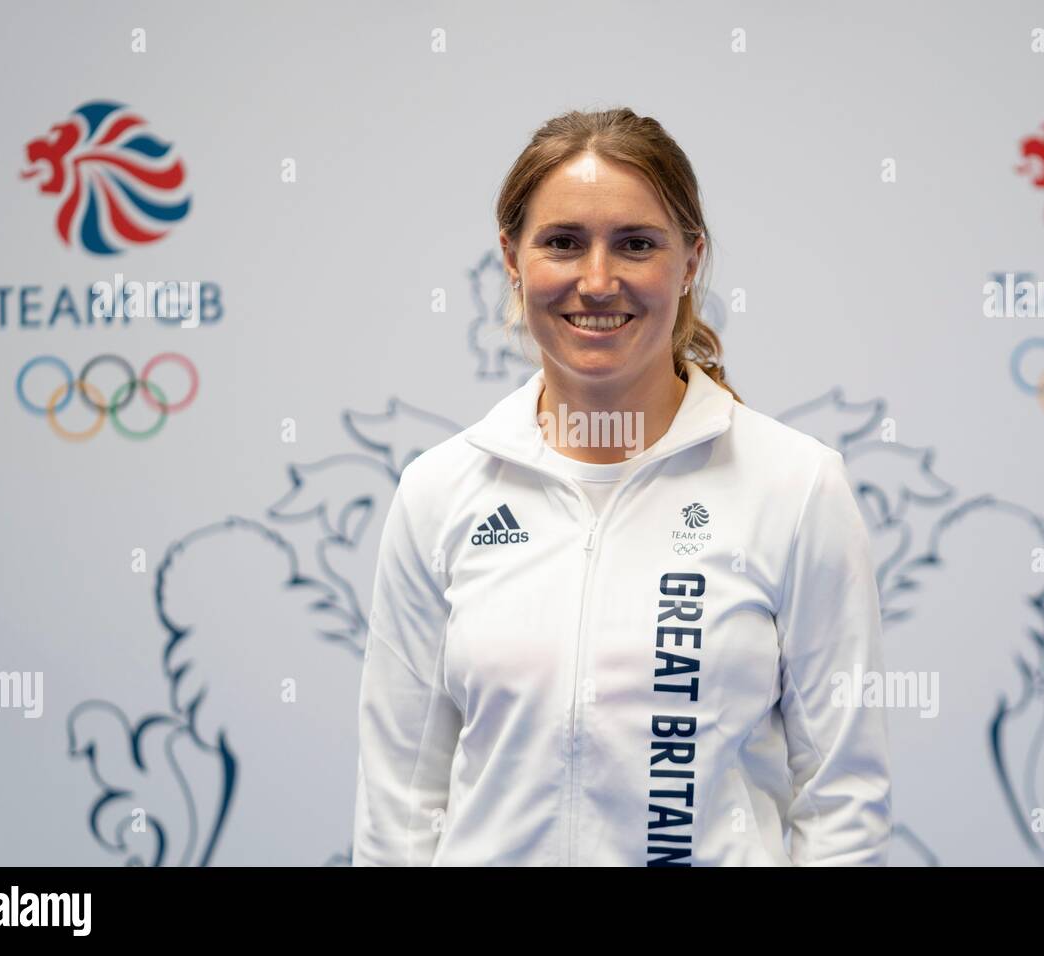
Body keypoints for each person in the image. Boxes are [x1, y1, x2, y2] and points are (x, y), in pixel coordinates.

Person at [352, 107, 892, 866]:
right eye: (563, 243)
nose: (597, 281)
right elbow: (398, 807)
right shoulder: (440, 491)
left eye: (636, 244)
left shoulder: (795, 488)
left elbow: (843, 801)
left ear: (690, 260)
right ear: (512, 258)